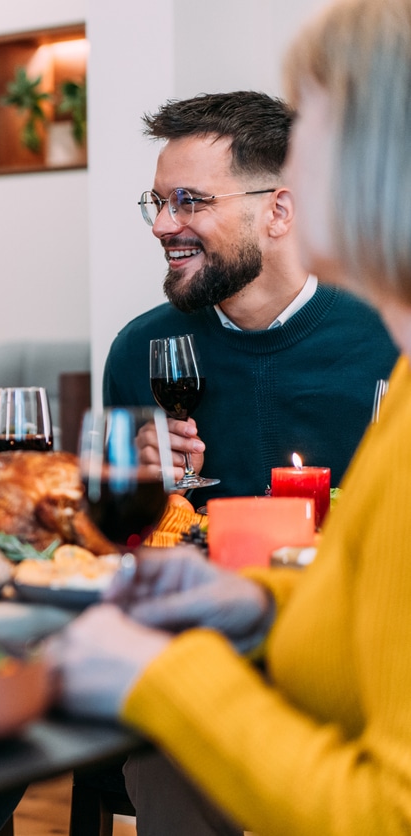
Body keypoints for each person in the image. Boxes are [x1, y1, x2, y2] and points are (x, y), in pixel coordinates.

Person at [51, 1, 411, 833]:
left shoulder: (385, 360)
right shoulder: (144, 344)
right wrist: (249, 598)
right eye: (157, 203)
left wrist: (159, 678)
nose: (164, 225)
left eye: (317, 124)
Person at [103, 90, 397, 502]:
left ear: (278, 212)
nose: (162, 226)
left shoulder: (391, 338)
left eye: (188, 201)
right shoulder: (137, 353)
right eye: (160, 202)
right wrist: (142, 488)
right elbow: (113, 543)